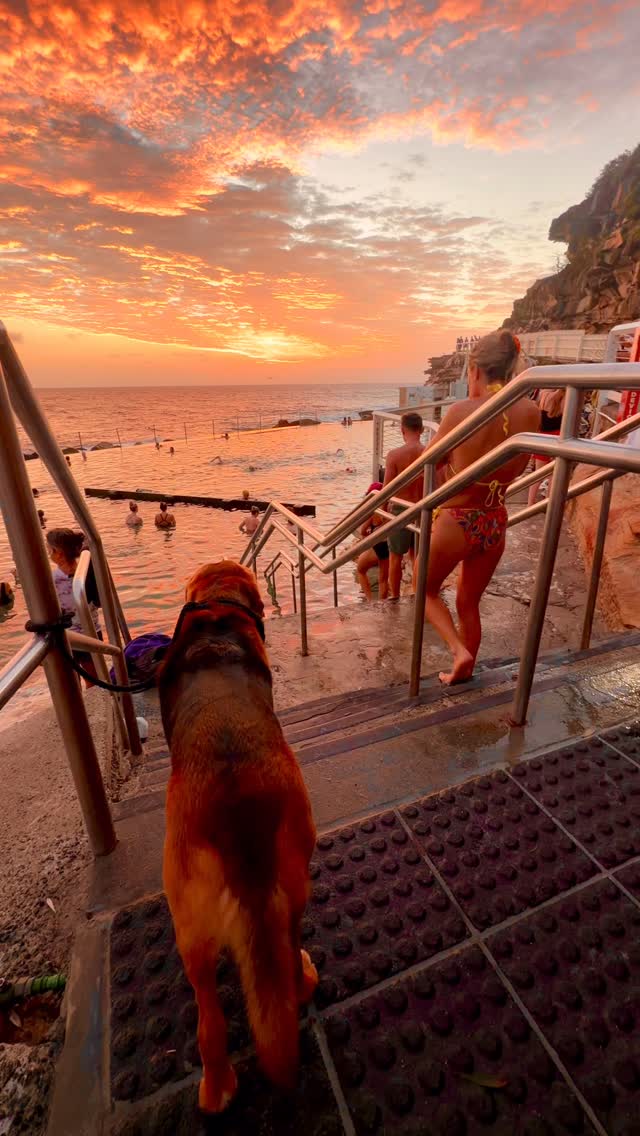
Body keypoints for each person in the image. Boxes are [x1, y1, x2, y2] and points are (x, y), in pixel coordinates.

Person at [421, 329, 540, 684]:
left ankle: (459, 652)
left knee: (425, 590)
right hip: (493, 521)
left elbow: (428, 461)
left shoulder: (461, 411)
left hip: (457, 519)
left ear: (475, 370)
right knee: (467, 602)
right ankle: (467, 667)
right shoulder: (530, 411)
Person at [46, 528, 101, 684]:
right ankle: (98, 704)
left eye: (49, 549)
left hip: (67, 637)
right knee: (94, 679)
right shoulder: (87, 571)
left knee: (71, 682)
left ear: (58, 553)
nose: (48, 553)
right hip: (92, 632)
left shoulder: (53, 580)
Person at [383, 411, 424, 599]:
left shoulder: (394, 455)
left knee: (395, 556)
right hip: (423, 509)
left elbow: (386, 491)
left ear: (402, 430)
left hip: (400, 509)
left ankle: (395, 597)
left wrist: (382, 513)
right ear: (421, 430)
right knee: (417, 555)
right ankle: (417, 592)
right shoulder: (431, 452)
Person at [527, 389, 565, 506]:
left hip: (542, 436)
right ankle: (548, 502)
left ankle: (530, 502)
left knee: (538, 473)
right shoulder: (565, 397)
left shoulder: (544, 393)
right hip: (557, 436)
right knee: (553, 474)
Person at [356, 482, 389, 601]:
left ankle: (370, 600)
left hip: (378, 545)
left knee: (360, 570)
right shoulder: (390, 508)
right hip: (389, 545)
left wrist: (368, 538)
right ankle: (383, 604)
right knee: (383, 579)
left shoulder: (374, 512)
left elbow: (363, 530)